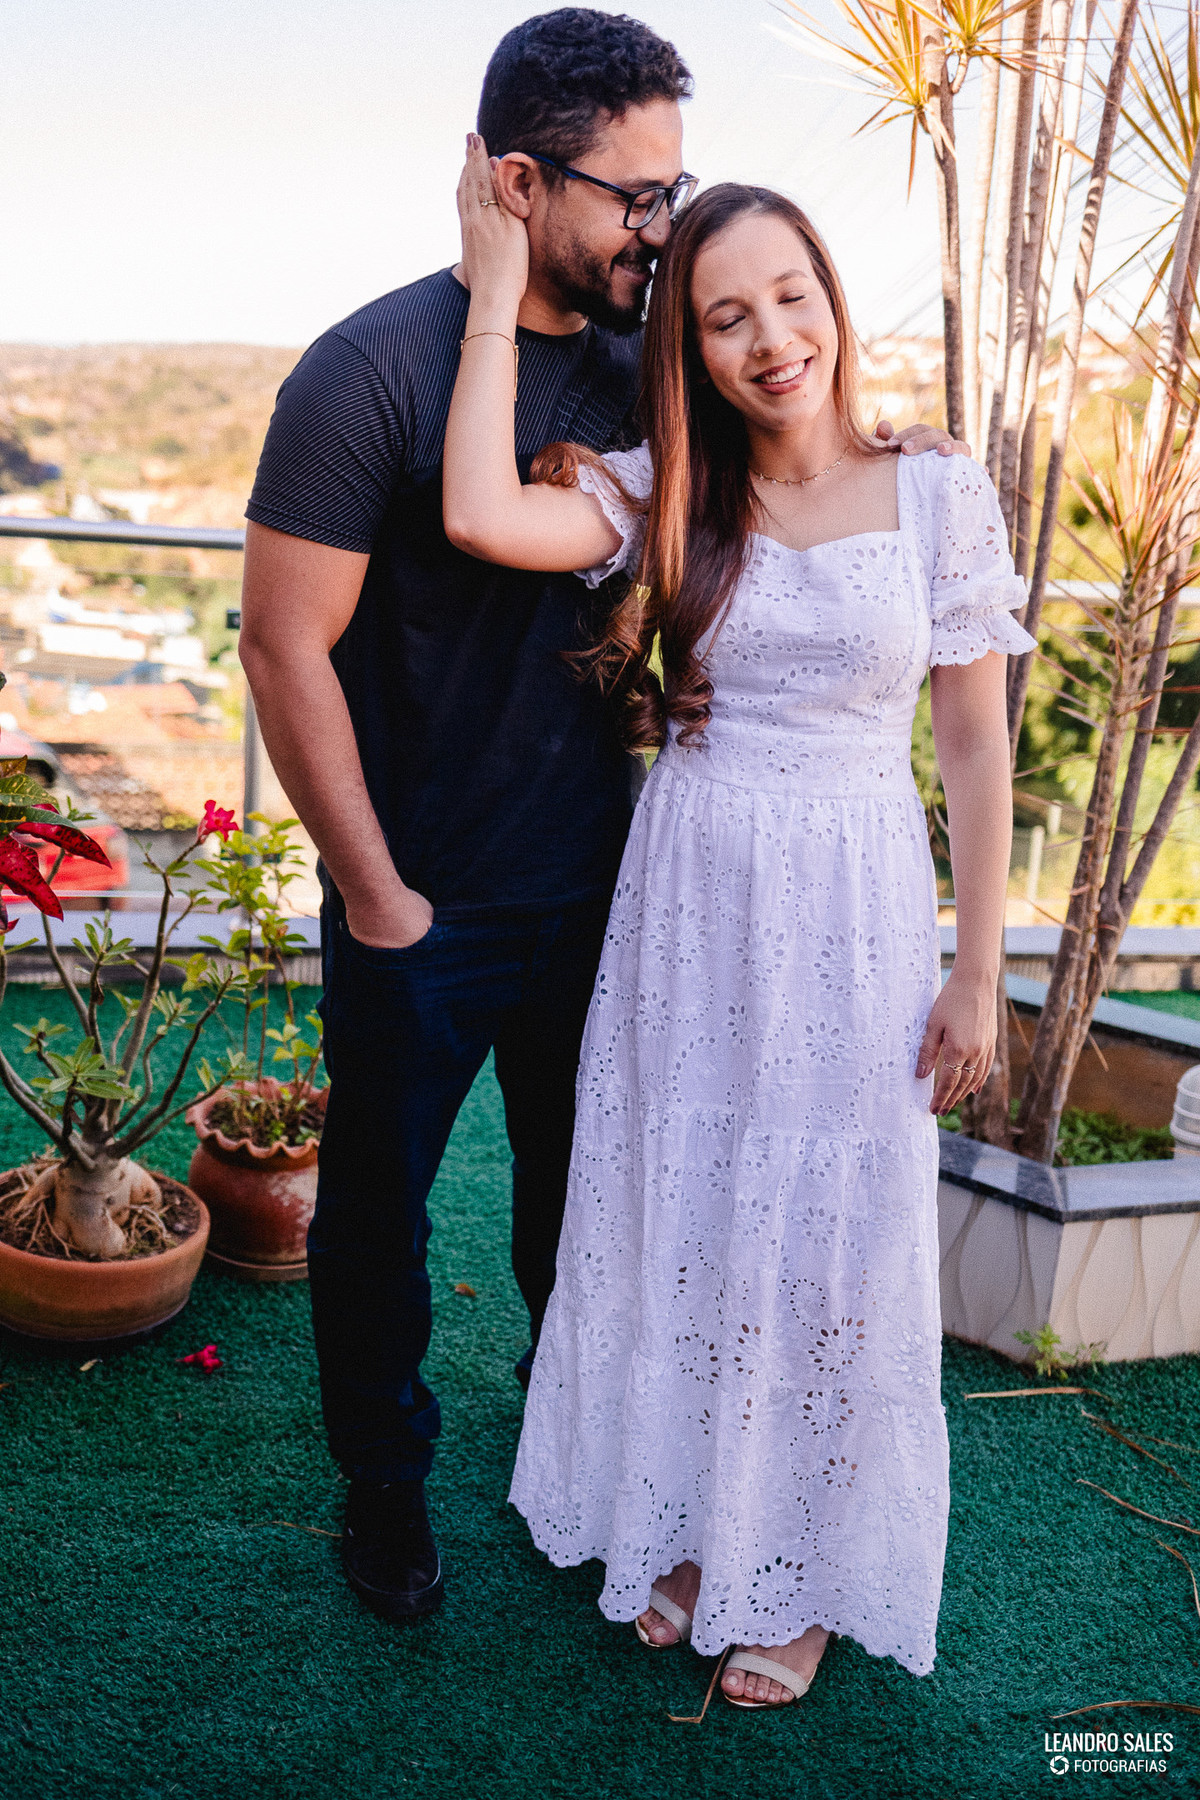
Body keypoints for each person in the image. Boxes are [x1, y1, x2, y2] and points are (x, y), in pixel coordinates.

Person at [240, 7, 961, 1626]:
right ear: (517, 180)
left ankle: (602, 1474)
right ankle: (387, 1489)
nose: (663, 223)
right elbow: (281, 648)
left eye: (675, 182)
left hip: (627, 885)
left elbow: (799, 489)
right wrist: (372, 895)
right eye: (632, 195)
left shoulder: (669, 358)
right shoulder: (368, 370)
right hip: (413, 892)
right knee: (380, 1213)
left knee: (612, 1210)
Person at [443, 151, 1033, 1705]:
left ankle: (812, 1571)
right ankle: (692, 1527)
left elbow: (972, 743)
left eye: (792, 297)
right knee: (690, 1202)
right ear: (687, 347)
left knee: (831, 1232)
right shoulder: (668, 491)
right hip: (696, 898)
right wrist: (497, 295)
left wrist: (980, 964)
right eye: (724, 317)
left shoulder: (934, 485)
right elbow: (480, 514)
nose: (772, 337)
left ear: (832, 302)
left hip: (855, 899)